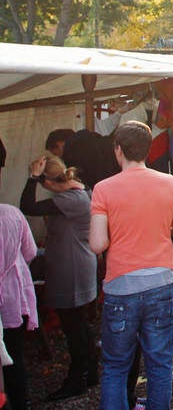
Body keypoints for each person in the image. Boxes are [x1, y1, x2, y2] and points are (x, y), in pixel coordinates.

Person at [89, 121, 173, 410]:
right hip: (160, 280)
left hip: (121, 284)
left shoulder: (103, 189)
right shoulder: (170, 184)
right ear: (148, 150)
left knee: (116, 366)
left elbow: (97, 244)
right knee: (160, 364)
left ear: (118, 150)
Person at [20, 155, 98, 401]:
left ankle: (77, 378)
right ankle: (90, 371)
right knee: (79, 323)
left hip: (71, 268)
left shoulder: (70, 200)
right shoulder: (79, 189)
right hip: (78, 263)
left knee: (73, 325)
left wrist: (32, 178)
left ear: (48, 182)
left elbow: (28, 207)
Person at [0, 202, 37, 410]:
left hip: (9, 295)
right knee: (14, 353)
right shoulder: (12, 212)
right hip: (16, 292)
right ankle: (21, 402)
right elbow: (30, 251)